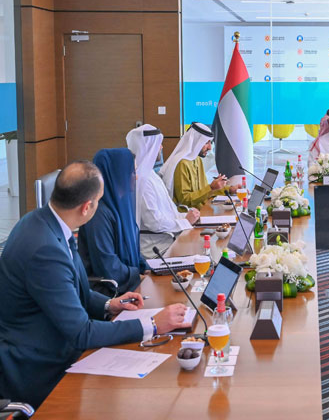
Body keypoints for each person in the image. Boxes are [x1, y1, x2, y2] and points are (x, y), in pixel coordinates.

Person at [0, 161, 191, 408]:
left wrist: (109, 304)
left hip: (59, 346)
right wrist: (153, 324)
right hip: (42, 367)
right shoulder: (45, 250)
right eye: (99, 200)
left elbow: (71, 290)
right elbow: (81, 333)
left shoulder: (43, 221)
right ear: (86, 207)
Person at [77, 148, 146, 295]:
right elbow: (107, 265)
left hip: (128, 285)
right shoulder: (97, 214)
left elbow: (131, 247)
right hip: (108, 292)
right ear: (118, 174)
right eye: (132, 172)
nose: (136, 177)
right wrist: (137, 275)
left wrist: (147, 268)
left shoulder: (121, 204)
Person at [127, 125, 200, 258]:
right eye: (158, 144)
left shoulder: (151, 174)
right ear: (148, 147)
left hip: (168, 239)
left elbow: (170, 212)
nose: (161, 147)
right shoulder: (142, 180)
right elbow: (154, 222)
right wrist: (185, 222)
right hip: (156, 248)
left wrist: (187, 216)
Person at [159, 122, 235, 208]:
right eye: (206, 143)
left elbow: (203, 190)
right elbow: (185, 200)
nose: (210, 147)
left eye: (210, 142)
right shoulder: (182, 163)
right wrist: (211, 187)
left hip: (202, 209)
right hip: (187, 213)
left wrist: (230, 189)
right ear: (195, 142)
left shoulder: (197, 160)